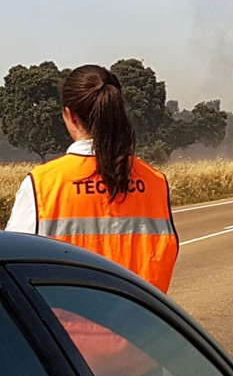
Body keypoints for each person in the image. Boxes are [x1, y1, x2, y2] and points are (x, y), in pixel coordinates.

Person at [5, 65, 178, 293]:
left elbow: (11, 270)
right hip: (141, 324)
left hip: (66, 326)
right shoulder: (155, 181)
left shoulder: (42, 185)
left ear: (70, 114)